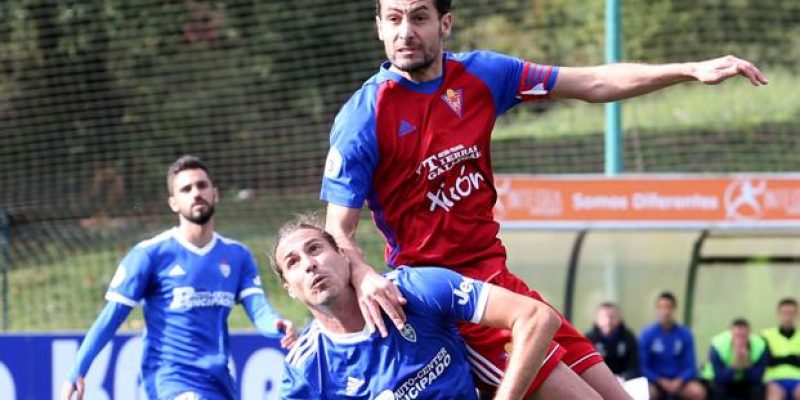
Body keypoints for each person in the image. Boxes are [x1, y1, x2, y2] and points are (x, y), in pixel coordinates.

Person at [319, 0, 767, 398]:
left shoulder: (481, 75)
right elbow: (338, 231)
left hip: (501, 281)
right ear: (378, 26)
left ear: (445, 23)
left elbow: (593, 82)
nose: (405, 32)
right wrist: (364, 274)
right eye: (393, 19)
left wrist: (687, 70)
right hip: (450, 299)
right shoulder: (363, 117)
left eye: (419, 17)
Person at [270, 215, 610, 400]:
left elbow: (536, 317)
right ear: (289, 289)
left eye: (315, 249)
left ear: (344, 256)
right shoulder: (306, 369)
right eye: (294, 263)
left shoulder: (416, 290)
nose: (309, 264)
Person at [60, 155, 299, 400]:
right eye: (186, 189)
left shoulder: (237, 255)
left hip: (217, 380)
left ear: (215, 193)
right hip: (169, 380)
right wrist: (77, 370)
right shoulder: (150, 254)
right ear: (173, 203)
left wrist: (278, 326)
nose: (196, 193)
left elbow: (259, 309)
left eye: (202, 185)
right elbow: (110, 318)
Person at [639, 292, 707, 400]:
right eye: (662, 307)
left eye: (669, 307)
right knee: (645, 393)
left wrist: (679, 381)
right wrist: (660, 381)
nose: (665, 312)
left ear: (674, 309)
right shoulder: (647, 335)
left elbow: (690, 366)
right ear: (657, 309)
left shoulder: (685, 334)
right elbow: (643, 366)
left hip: (679, 382)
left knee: (697, 392)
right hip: (656, 383)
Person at [700, 318, 767, 400]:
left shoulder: (760, 346)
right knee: (717, 389)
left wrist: (746, 363)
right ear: (731, 333)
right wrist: (735, 365)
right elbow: (720, 379)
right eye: (737, 336)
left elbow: (757, 379)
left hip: (745, 381)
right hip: (719, 380)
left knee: (758, 389)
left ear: (749, 334)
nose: (740, 340)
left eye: (743, 336)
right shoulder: (718, 345)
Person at [585, 302, 640, 381]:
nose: (608, 321)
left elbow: (634, 366)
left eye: (612, 317)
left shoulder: (628, 337)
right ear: (597, 319)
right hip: (598, 383)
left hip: (624, 382)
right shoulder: (589, 339)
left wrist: (625, 377)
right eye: (604, 317)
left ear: (619, 318)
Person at [762, 298, 800, 400]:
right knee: (775, 396)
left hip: (798, 379)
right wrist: (792, 358)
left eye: (791, 313)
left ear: (797, 314)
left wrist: (779, 359)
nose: (788, 317)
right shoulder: (766, 335)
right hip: (774, 379)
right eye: (785, 313)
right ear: (778, 314)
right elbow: (768, 361)